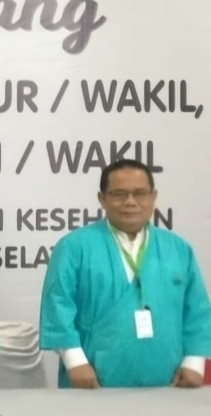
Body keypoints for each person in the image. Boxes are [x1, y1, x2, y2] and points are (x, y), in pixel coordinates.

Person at [40, 159, 211, 389]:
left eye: (140, 193)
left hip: (169, 381)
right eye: (119, 194)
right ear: (102, 198)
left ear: (153, 197)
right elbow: (57, 306)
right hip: (92, 381)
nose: (130, 202)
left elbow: (197, 310)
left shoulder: (178, 249)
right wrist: (74, 361)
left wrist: (194, 361)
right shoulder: (74, 247)